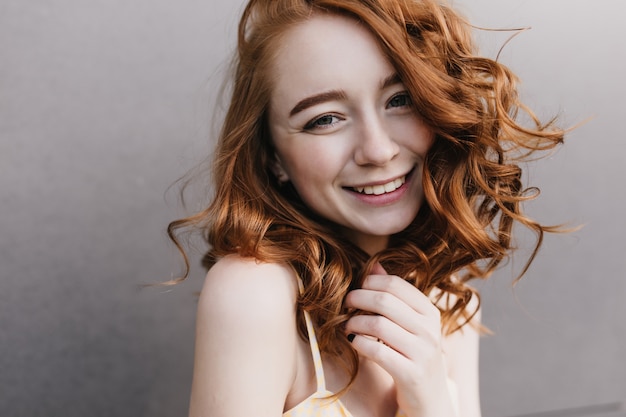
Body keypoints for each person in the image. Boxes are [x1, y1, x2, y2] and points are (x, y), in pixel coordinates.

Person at [167, 0, 565, 416]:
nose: (378, 150)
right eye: (325, 119)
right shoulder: (253, 293)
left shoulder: (449, 301)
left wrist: (429, 399)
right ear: (272, 157)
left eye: (400, 100)